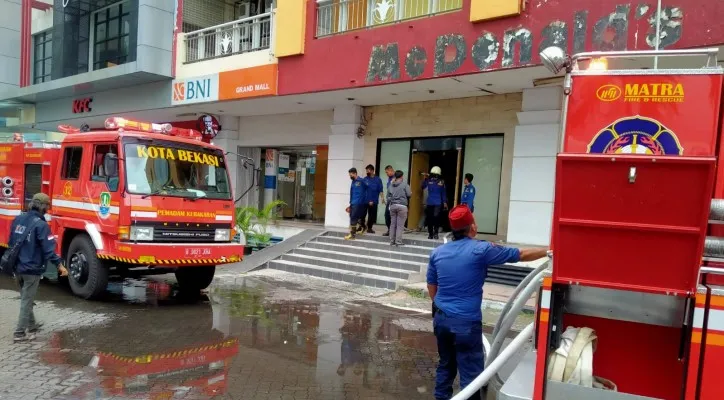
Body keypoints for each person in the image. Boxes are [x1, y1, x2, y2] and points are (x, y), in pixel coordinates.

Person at [427, 205, 548, 400]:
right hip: (466, 323)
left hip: (441, 319)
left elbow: (432, 287)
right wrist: (549, 251)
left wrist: (444, 307)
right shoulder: (481, 249)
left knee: (446, 365)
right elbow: (521, 255)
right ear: (472, 227)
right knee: (471, 375)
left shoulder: (438, 252)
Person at [8, 193, 67, 342]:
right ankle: (19, 333)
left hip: (17, 267)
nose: (48, 208)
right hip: (31, 270)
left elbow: (11, 243)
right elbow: (49, 250)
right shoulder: (41, 225)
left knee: (26, 297)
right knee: (26, 300)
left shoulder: (18, 219)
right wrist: (60, 265)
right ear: (44, 207)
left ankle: (32, 326)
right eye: (48, 206)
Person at [387, 170, 412, 246]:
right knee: (400, 225)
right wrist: (410, 193)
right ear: (401, 176)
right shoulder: (405, 185)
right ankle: (398, 241)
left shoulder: (391, 185)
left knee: (393, 224)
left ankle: (392, 240)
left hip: (393, 206)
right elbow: (409, 195)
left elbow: (388, 197)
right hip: (402, 206)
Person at [423, 166, 447, 240]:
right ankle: (430, 234)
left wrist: (445, 202)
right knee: (430, 219)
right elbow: (422, 186)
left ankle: (435, 233)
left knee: (436, 218)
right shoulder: (428, 180)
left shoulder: (442, 182)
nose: (435, 175)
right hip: (430, 202)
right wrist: (425, 179)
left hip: (438, 203)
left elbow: (443, 193)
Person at [345, 168, 368, 240]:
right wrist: (350, 203)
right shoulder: (353, 182)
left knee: (353, 218)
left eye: (351, 175)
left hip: (359, 202)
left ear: (355, 173)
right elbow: (352, 193)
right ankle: (364, 227)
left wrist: (366, 199)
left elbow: (368, 188)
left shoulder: (362, 181)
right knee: (353, 217)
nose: (350, 176)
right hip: (353, 202)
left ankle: (352, 235)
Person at [360, 164, 384, 234]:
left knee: (372, 216)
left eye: (368, 171)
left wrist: (382, 198)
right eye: (366, 171)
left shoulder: (378, 179)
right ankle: (362, 226)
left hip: (374, 201)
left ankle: (369, 228)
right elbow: (362, 190)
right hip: (365, 201)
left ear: (373, 171)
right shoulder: (365, 179)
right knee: (362, 215)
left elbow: (380, 190)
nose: (367, 172)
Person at [381, 165, 395, 237]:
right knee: (387, 216)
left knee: (392, 216)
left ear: (391, 170)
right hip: (389, 200)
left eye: (387, 172)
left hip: (394, 201)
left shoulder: (395, 178)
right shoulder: (389, 179)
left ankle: (392, 231)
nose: (386, 174)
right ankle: (389, 230)